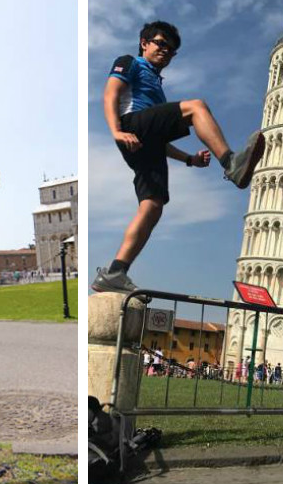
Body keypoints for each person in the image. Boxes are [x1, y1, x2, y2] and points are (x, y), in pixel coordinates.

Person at [92, 21, 266, 293]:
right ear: (144, 43)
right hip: (130, 125)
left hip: (143, 141)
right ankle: (231, 163)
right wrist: (116, 131)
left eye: (171, 50)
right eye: (160, 43)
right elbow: (110, 94)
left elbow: (158, 139)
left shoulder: (158, 90)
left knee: (153, 206)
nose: (165, 51)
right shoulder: (130, 63)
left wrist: (189, 159)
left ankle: (116, 271)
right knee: (196, 107)